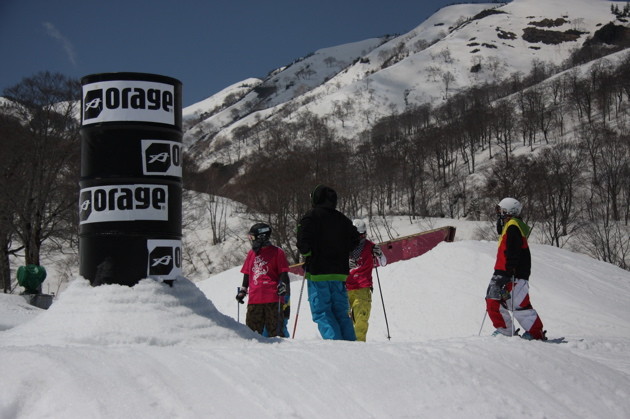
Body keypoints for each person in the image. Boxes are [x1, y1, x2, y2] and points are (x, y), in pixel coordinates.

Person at [296, 185, 360, 341]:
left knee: (323, 312)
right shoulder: (342, 219)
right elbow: (355, 240)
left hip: (318, 272)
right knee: (340, 311)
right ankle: (351, 345)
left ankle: (335, 345)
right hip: (339, 273)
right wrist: (342, 251)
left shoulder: (311, 217)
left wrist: (309, 254)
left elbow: (303, 242)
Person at [485, 198, 546, 340]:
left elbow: (513, 252)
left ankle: (534, 333)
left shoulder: (513, 227)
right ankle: (505, 331)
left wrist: (508, 272)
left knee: (517, 303)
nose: (499, 214)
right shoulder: (510, 226)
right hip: (502, 271)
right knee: (493, 299)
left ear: (508, 211)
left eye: (501, 210)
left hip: (512, 273)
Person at [236, 223, 290, 337]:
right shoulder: (252, 253)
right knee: (251, 334)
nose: (251, 240)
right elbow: (247, 273)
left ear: (261, 237)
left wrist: (283, 285)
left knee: (275, 333)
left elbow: (283, 272)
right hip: (255, 299)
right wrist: (243, 290)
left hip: (273, 298)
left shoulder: (277, 252)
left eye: (252, 237)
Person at [347, 219, 387, 342]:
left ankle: (359, 345)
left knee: (361, 319)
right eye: (359, 235)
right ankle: (344, 345)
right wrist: (346, 264)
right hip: (345, 287)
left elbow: (384, 263)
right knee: (344, 319)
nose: (361, 237)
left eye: (363, 234)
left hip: (362, 288)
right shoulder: (344, 247)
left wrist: (380, 254)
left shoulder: (370, 246)